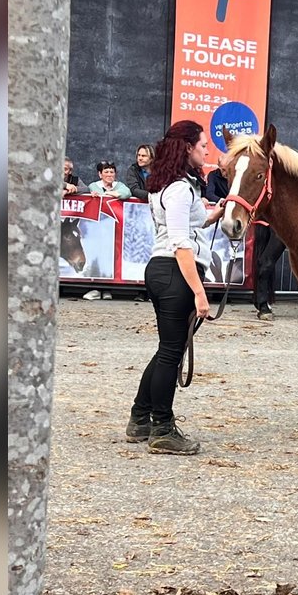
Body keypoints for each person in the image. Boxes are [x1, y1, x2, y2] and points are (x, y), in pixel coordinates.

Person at [125, 121, 225, 455]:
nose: (206, 150)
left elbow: (188, 225)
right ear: (187, 147)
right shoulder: (181, 189)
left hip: (162, 269)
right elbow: (182, 244)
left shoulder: (168, 185)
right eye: (202, 145)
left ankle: (140, 417)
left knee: (167, 349)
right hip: (176, 272)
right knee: (171, 352)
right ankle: (162, 428)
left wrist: (216, 213)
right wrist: (199, 292)